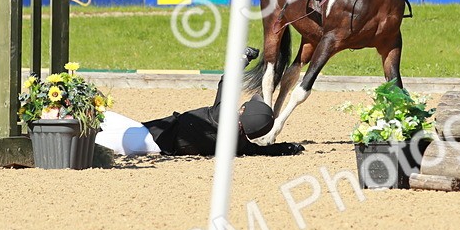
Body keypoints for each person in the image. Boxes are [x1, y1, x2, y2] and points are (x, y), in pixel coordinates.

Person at [95, 48, 304, 157]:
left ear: (243, 112)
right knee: (102, 119)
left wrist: (244, 58)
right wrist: (288, 147)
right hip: (157, 140)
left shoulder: (222, 117)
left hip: (148, 138)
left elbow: (226, 82)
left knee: (94, 132)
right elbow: (262, 151)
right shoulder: (240, 146)